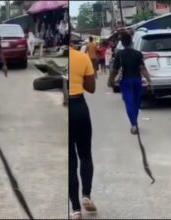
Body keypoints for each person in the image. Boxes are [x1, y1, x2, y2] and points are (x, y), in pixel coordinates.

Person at [69, 37, 96, 219]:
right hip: (79, 107)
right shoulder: (81, 57)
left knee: (70, 162)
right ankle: (86, 195)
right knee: (85, 155)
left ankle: (76, 209)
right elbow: (91, 88)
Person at [109, 32, 152, 134]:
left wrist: (111, 80)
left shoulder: (119, 54)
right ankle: (134, 122)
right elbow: (142, 68)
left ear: (122, 43)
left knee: (129, 102)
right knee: (136, 103)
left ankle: (133, 124)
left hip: (126, 81)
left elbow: (114, 70)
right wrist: (149, 80)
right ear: (131, 42)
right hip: (137, 80)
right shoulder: (138, 54)